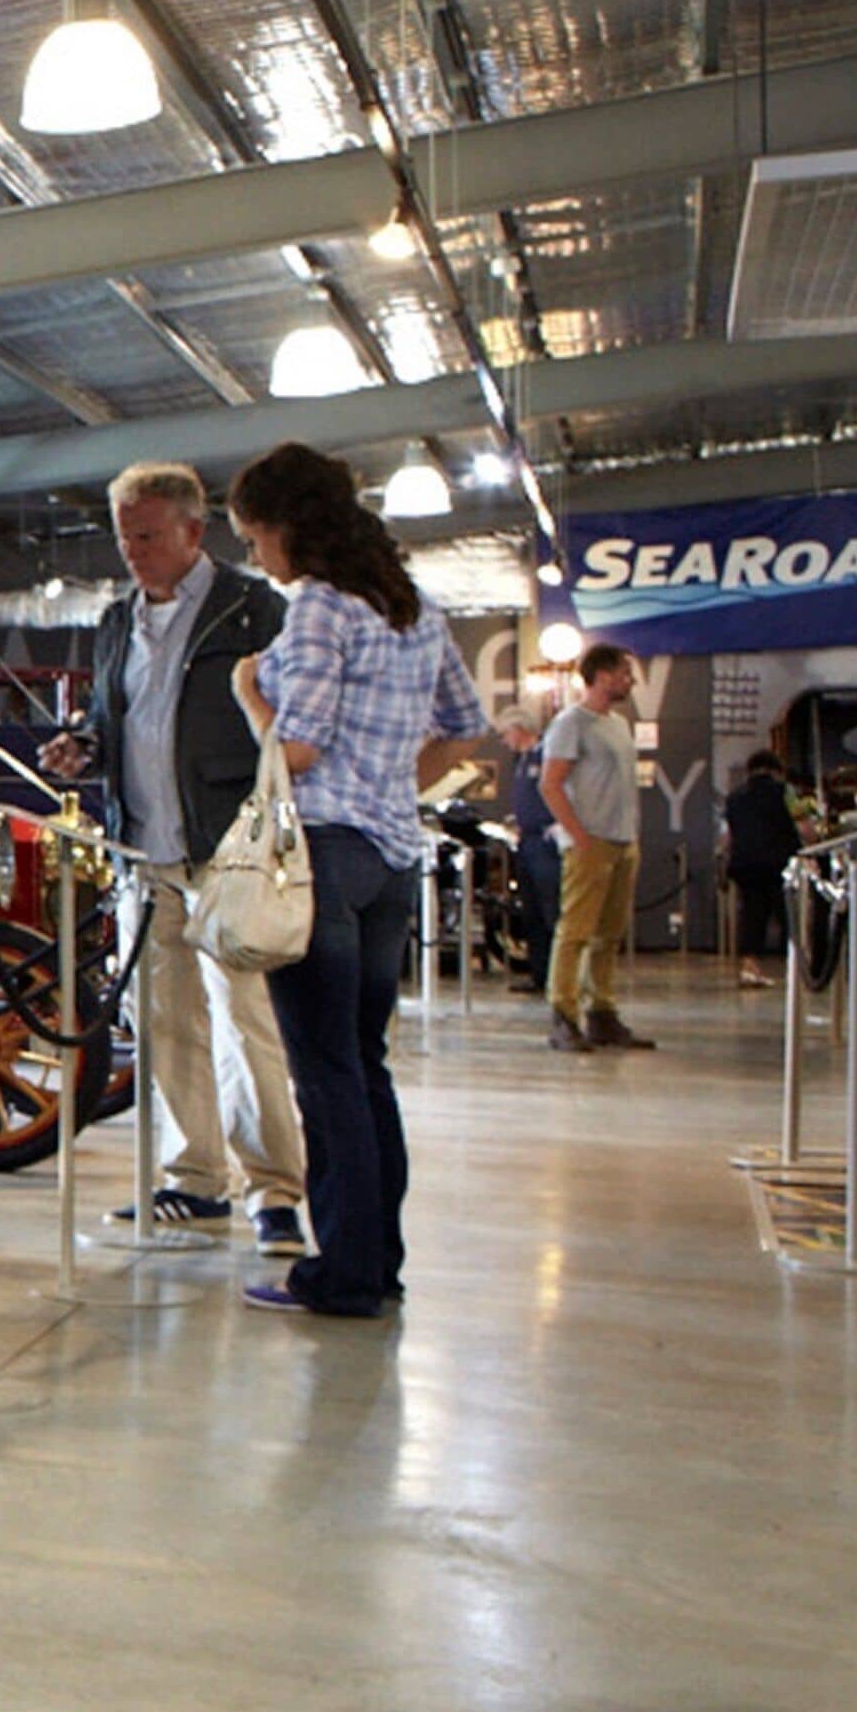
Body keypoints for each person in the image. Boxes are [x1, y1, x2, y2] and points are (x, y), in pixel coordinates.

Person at [224, 442, 491, 1318]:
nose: (257, 557)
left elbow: (295, 752)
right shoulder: (417, 610)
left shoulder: (319, 612)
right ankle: (378, 1263)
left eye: (255, 538)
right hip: (391, 859)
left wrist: (248, 693)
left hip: (323, 861)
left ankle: (339, 1275)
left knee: (325, 1072)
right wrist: (391, 786)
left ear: (287, 527)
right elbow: (464, 727)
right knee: (364, 1068)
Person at [37, 463, 310, 1261]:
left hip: (226, 856)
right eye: (124, 538)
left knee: (245, 1024)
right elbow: (112, 714)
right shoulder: (117, 619)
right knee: (163, 1026)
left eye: (148, 536)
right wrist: (83, 743)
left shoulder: (256, 609)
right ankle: (195, 1178)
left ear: (195, 532)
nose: (133, 553)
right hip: (141, 856)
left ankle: (276, 1192)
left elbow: (282, 718)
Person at [538, 643, 652, 1051]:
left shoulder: (618, 724)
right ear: (601, 676)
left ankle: (601, 1010)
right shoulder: (571, 723)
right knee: (576, 931)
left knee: (609, 932)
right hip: (591, 842)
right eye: (624, 673)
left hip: (622, 840)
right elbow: (550, 783)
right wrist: (579, 836)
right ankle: (563, 1012)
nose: (630, 681)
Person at [494, 699, 557, 989]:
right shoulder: (521, 762)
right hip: (526, 843)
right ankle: (539, 973)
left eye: (506, 733)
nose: (504, 740)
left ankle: (558, 976)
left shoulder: (545, 756)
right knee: (531, 911)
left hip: (545, 843)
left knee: (550, 910)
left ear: (519, 729)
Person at [724, 749, 797, 989]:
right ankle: (798, 969)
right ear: (776, 770)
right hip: (779, 863)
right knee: (788, 916)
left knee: (752, 916)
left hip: (746, 864)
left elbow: (728, 835)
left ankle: (749, 969)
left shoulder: (734, 797)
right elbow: (805, 827)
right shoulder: (785, 792)